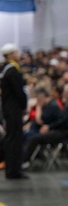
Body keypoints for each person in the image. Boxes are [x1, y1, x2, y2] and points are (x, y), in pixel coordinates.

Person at [22, 86, 68, 166]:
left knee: (35, 138)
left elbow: (63, 122)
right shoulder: (67, 107)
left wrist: (49, 127)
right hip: (59, 131)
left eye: (66, 93)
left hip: (66, 133)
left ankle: (25, 161)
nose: (64, 95)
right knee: (33, 136)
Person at [0, 43, 28, 180]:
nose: (18, 54)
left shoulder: (7, 69)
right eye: (16, 52)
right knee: (14, 140)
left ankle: (13, 169)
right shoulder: (12, 70)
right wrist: (24, 105)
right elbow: (19, 92)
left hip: (9, 109)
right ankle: (13, 171)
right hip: (13, 109)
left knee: (13, 139)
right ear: (10, 54)